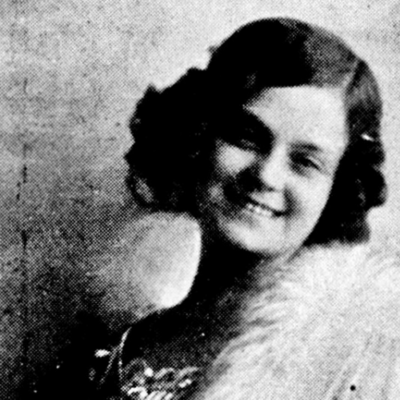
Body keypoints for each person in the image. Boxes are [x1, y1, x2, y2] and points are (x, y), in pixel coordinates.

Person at [92, 18, 400, 399]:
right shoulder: (128, 329)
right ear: (198, 136)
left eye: (305, 162)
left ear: (337, 189)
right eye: (246, 137)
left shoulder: (346, 365)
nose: (266, 175)